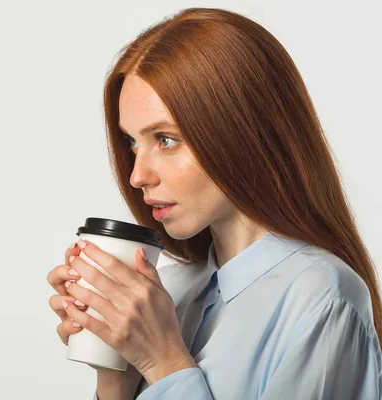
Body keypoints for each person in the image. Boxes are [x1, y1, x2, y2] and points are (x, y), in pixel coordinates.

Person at [47, 7, 382, 399]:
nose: (138, 176)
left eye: (165, 139)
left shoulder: (324, 299)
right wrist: (116, 373)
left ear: (241, 131)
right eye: (132, 143)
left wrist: (163, 362)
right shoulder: (167, 293)